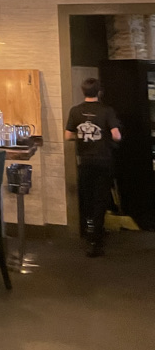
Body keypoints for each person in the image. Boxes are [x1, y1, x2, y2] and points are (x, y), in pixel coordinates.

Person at [64, 77, 122, 257]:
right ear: (99, 92)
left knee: (88, 198)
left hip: (85, 161)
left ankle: (90, 234)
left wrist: (82, 138)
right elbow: (116, 135)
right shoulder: (106, 110)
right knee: (101, 198)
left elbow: (68, 136)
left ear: (83, 91)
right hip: (103, 160)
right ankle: (97, 238)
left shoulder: (75, 111)